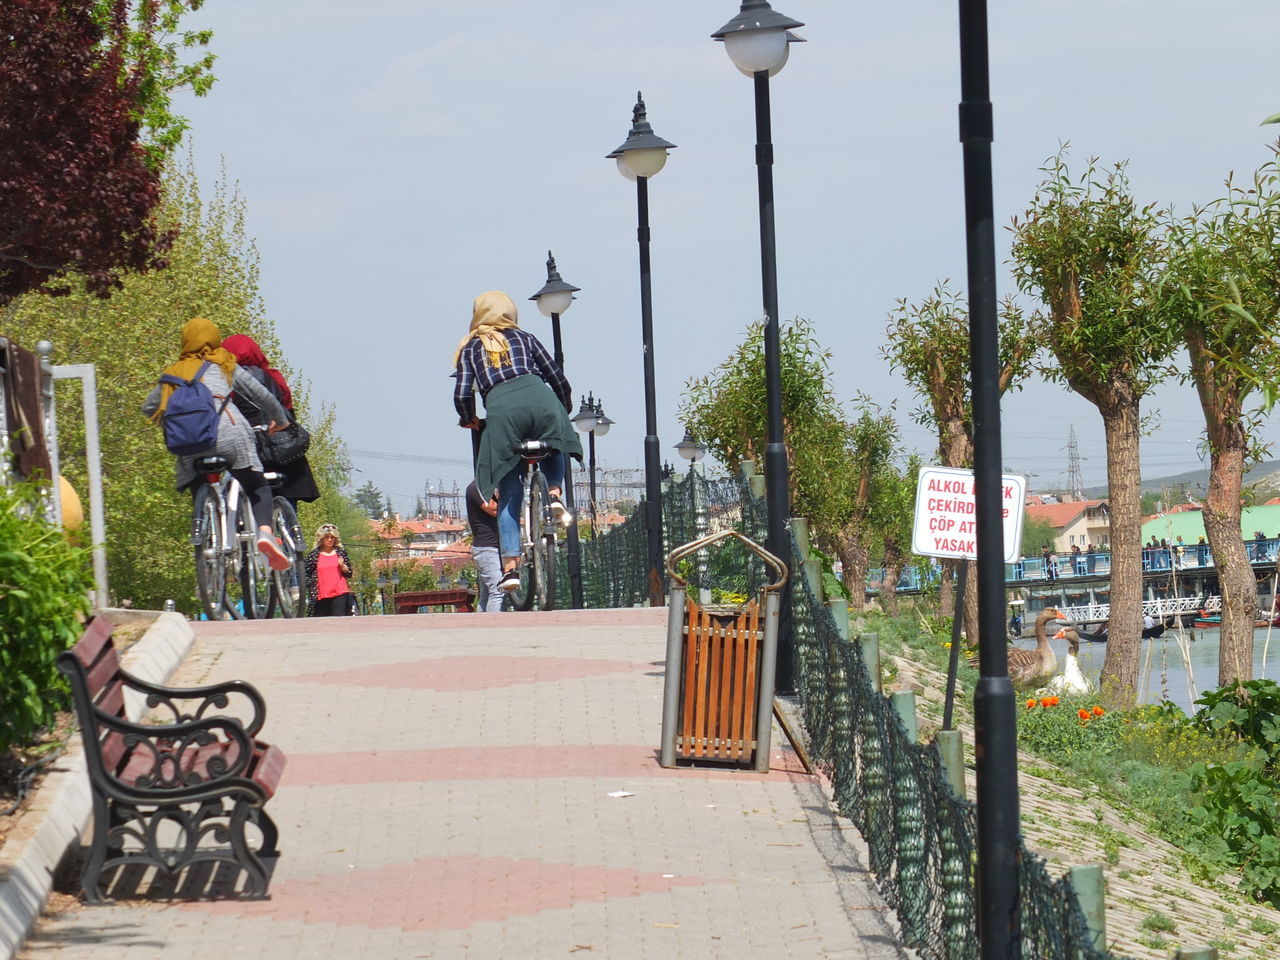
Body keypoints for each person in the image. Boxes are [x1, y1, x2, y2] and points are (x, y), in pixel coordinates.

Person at [453, 291, 583, 592]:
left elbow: (462, 393)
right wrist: (560, 409)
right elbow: (558, 378)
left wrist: (468, 417)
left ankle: (510, 568)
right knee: (553, 442)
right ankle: (553, 493)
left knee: (510, 491)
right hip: (541, 399)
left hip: (502, 414)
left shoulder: (472, 347)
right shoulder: (526, 338)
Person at [143, 317, 290, 572]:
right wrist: (280, 420)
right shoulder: (224, 364)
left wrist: (175, 425)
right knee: (257, 486)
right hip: (230, 435)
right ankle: (265, 533)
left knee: (198, 491)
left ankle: (208, 557)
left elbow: (148, 408)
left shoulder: (172, 374)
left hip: (189, 445)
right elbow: (262, 395)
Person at [222, 333, 319, 510]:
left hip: (247, 453)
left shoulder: (227, 381)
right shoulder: (275, 377)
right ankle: (289, 533)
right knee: (286, 513)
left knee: (237, 503)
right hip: (281, 452)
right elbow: (289, 410)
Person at [466, 481, 502, 613]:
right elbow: (493, 509)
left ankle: (483, 625)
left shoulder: (488, 487)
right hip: (486, 548)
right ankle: (495, 626)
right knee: (498, 591)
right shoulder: (477, 487)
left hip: (492, 548)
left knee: (487, 595)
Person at [305, 523, 355, 616]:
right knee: (322, 622)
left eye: (332, 537)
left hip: (340, 593)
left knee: (338, 621)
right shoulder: (314, 555)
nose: (329, 540)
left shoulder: (340, 552)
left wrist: (343, 565)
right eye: (327, 537)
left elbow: (349, 573)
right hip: (321, 595)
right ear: (321, 538)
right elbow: (306, 573)